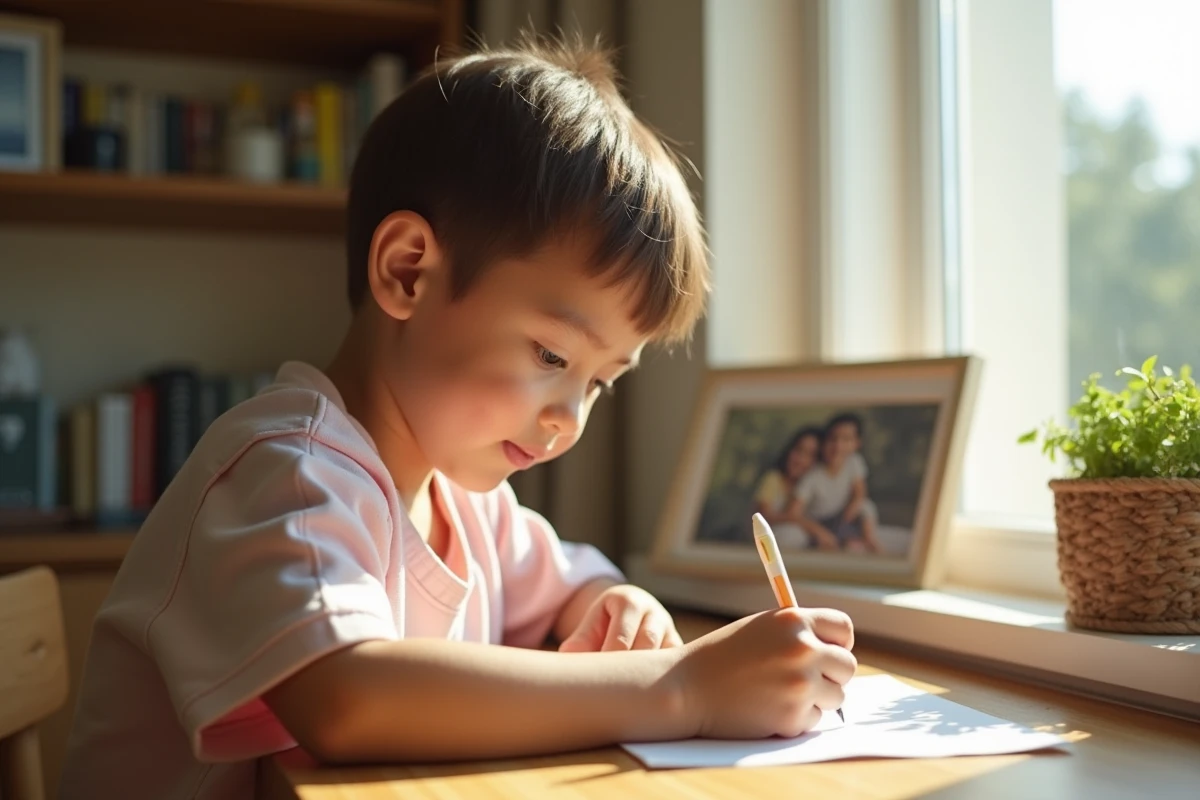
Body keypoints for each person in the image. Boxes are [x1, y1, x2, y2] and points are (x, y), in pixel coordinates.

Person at [58, 33, 856, 799]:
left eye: (601, 383)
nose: (570, 421)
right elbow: (350, 697)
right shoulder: (285, 470)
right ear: (408, 272)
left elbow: (577, 586)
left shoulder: (469, 503)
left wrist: (622, 613)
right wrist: (681, 687)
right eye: (551, 357)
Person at [794, 413, 883, 553]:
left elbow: (860, 493)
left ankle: (870, 542)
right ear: (823, 444)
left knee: (866, 506)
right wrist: (818, 531)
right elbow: (795, 512)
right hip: (820, 524)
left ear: (857, 443)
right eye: (833, 439)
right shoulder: (813, 477)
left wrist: (848, 516)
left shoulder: (854, 462)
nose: (838, 446)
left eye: (846, 439)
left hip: (843, 518)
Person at [751, 425, 824, 549]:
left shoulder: (813, 487)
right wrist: (810, 526)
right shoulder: (774, 479)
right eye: (798, 451)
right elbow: (764, 515)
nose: (801, 460)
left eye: (809, 455)